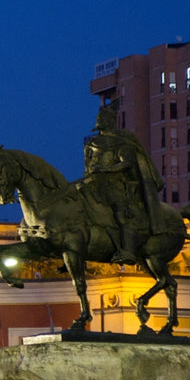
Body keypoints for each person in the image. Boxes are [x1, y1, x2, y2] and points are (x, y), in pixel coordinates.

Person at [82, 102, 165, 264]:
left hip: (117, 184)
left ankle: (128, 251)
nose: (99, 120)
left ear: (110, 120)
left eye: (102, 118)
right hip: (94, 184)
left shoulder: (121, 142)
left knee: (122, 213)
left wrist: (105, 170)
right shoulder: (92, 143)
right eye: (98, 118)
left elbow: (127, 163)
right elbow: (88, 165)